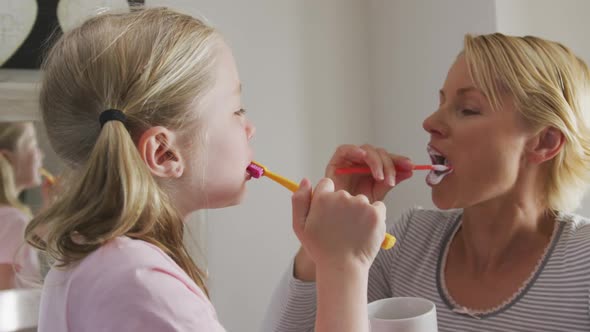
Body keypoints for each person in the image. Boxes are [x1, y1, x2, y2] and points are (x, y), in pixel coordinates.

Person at [24, 7, 387, 332]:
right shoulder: (142, 284)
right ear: (165, 153)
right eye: (237, 110)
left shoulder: (95, 263)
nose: (250, 128)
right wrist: (344, 267)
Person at [264, 33, 590, 331]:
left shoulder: (583, 261)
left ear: (545, 141)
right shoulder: (407, 240)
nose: (430, 122)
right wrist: (322, 240)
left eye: (468, 109)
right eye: (441, 102)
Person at [0, 122, 44, 289]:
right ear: (7, 158)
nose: (41, 154)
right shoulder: (13, 219)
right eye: (32, 144)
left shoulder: (13, 219)